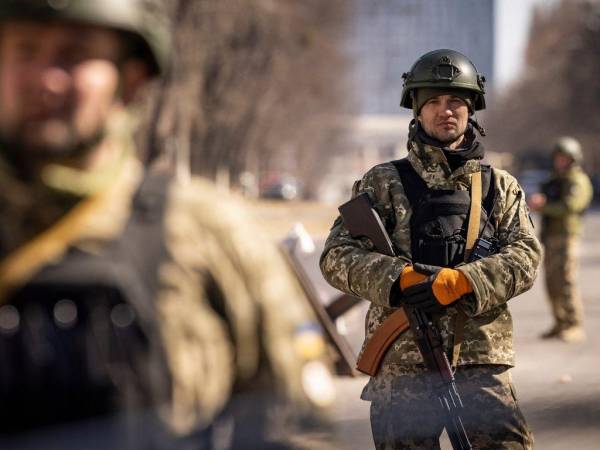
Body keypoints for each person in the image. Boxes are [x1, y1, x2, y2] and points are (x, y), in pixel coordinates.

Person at [0, 1, 334, 448]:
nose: (46, 78)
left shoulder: (211, 234)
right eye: (25, 51)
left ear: (132, 79)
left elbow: (298, 426)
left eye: (74, 54)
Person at [320, 49, 542, 449]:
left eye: (455, 100)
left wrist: (464, 281)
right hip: (402, 367)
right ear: (417, 111)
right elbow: (336, 255)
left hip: (480, 363)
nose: (445, 111)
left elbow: (525, 257)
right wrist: (397, 279)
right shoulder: (383, 182)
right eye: (433, 102)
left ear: (471, 109)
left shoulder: (499, 187)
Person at [527, 137, 593, 343]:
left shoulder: (577, 180)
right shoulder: (554, 180)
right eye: (558, 157)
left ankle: (574, 325)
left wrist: (543, 206)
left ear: (573, 159)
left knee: (565, 281)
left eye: (564, 158)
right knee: (551, 282)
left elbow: (570, 206)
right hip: (550, 236)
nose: (560, 161)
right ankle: (559, 322)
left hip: (567, 237)